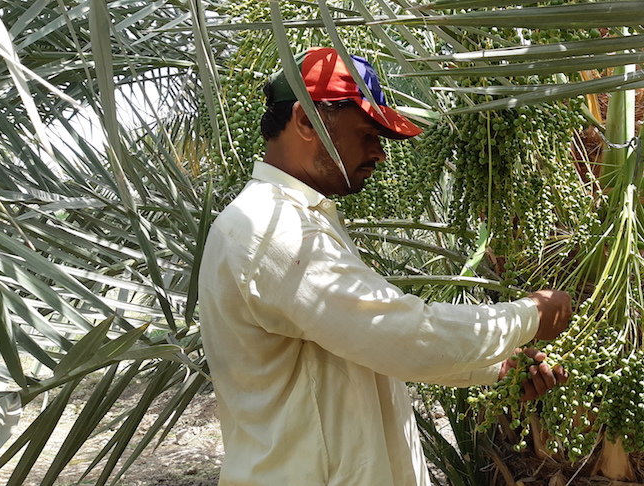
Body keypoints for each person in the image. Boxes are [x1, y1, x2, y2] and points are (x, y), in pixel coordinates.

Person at [198, 47, 573, 486]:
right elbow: (401, 334)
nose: (378, 154)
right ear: (306, 121)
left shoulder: (299, 220)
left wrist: (498, 366)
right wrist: (528, 316)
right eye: (367, 135)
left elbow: (366, 347)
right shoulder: (269, 228)